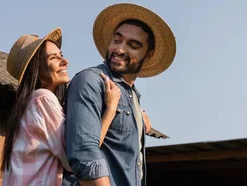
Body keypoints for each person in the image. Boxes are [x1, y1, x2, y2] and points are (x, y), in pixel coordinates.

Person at [63, 3, 177, 186]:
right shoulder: (91, 81)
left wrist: (138, 122)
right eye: (117, 40)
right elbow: (85, 156)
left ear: (148, 54)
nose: (120, 49)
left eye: (133, 45)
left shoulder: (133, 97)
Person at [1, 28, 121, 186]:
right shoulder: (42, 99)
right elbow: (77, 154)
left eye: (61, 55)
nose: (65, 61)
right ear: (37, 68)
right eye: (53, 58)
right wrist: (111, 109)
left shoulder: (31, 104)